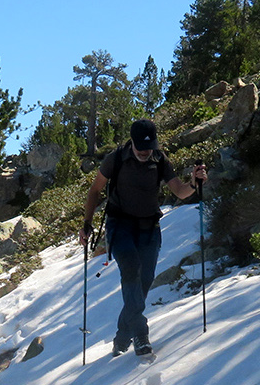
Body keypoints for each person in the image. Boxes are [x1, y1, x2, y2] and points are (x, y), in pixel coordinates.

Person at [79, 119, 208, 357]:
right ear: (132, 143)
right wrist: (87, 223)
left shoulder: (159, 159)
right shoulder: (115, 159)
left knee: (144, 282)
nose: (145, 152)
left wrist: (193, 182)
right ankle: (140, 334)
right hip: (119, 226)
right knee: (130, 268)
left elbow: (179, 190)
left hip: (149, 227)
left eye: (149, 148)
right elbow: (95, 189)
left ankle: (121, 337)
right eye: (141, 148)